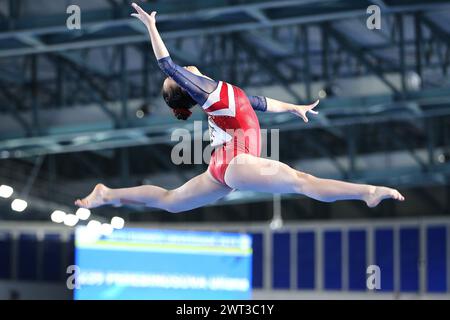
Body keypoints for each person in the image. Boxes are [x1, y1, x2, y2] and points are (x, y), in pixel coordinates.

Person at [74, 3, 405, 212]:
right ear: (184, 88)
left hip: (224, 167)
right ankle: (367, 192)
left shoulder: (224, 93)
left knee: (171, 202)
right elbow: (168, 66)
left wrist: (293, 107)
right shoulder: (206, 92)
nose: (187, 72)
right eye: (179, 81)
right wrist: (151, 27)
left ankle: (108, 193)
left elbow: (259, 103)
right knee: (301, 181)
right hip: (236, 161)